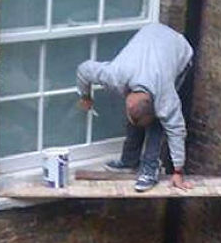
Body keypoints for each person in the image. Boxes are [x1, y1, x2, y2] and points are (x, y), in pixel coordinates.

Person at [76, 23, 193, 192]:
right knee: (140, 118)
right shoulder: (114, 75)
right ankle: (129, 161)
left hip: (178, 48)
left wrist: (178, 170)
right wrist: (85, 96)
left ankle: (149, 168)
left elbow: (177, 130)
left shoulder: (165, 97)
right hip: (151, 35)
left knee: (158, 124)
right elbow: (83, 69)